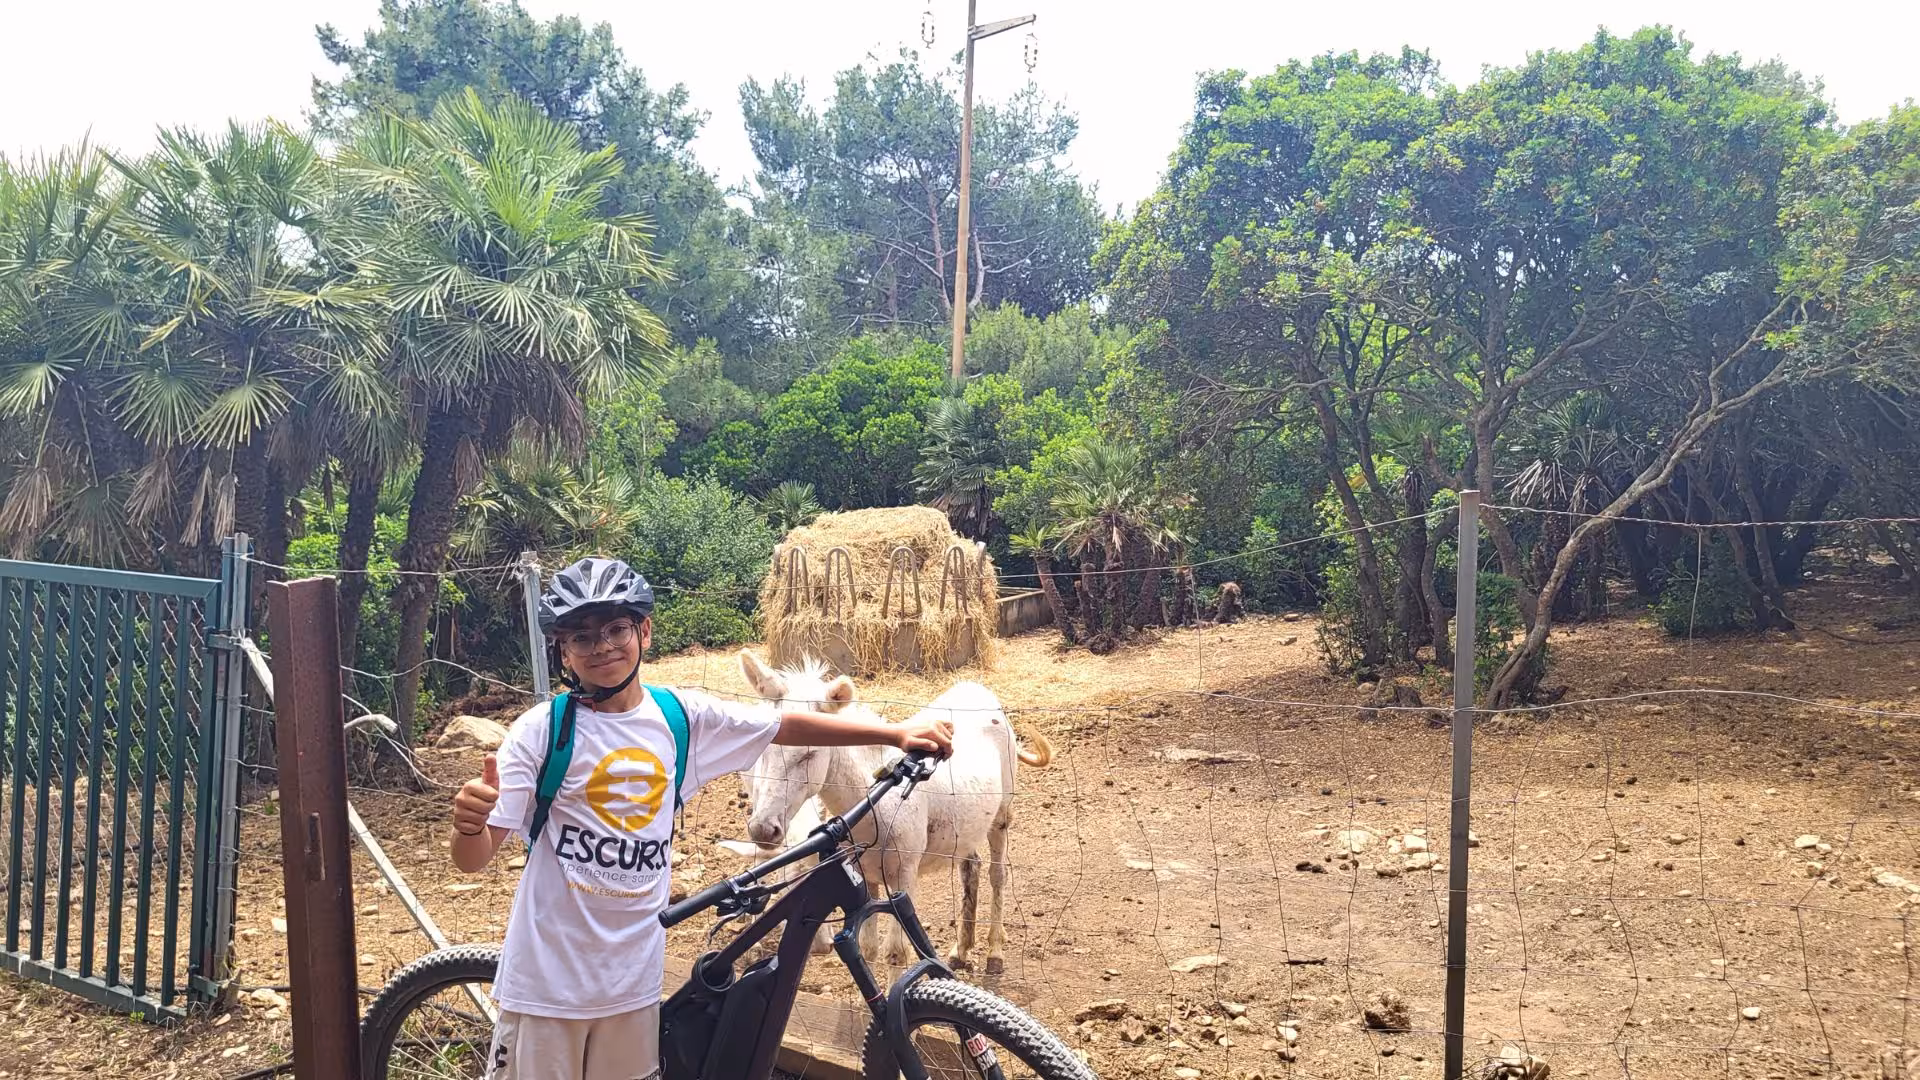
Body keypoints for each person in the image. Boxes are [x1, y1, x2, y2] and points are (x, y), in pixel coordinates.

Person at [450, 556, 952, 1080]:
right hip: (546, 990)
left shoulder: (681, 719)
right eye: (580, 636)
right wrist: (470, 827)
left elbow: (782, 725)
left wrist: (892, 735)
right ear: (564, 651)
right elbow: (473, 859)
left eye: (616, 628)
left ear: (644, 630)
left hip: (633, 989)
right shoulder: (541, 731)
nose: (601, 646)